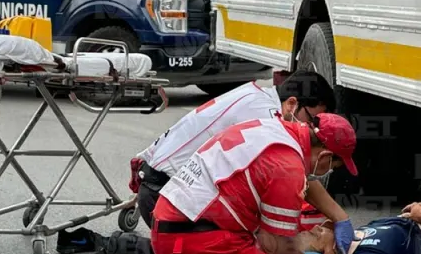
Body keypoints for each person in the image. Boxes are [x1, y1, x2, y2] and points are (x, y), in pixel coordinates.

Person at [98, 111, 359, 254]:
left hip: (167, 229)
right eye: (332, 166)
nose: (327, 173)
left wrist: (338, 218)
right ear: (324, 155)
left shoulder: (268, 128)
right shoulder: (287, 167)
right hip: (202, 241)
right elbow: (273, 244)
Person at [129, 70, 335, 228]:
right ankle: (127, 251)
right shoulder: (267, 117)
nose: (312, 130)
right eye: (311, 120)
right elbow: (290, 178)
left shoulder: (255, 94)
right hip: (166, 197)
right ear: (292, 104)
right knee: (256, 245)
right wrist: (339, 218)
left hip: (159, 186)